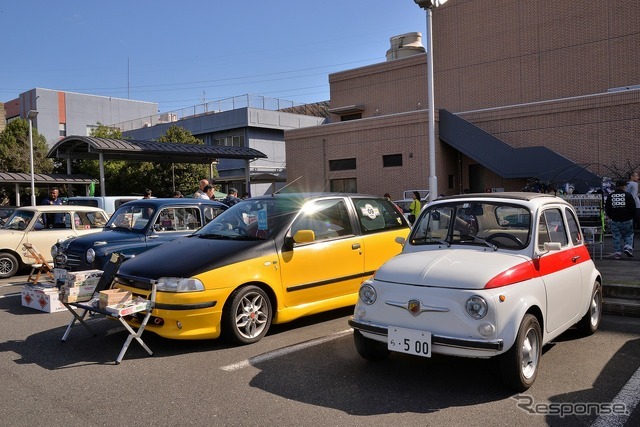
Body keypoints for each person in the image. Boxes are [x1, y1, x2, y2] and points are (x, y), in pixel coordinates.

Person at [605, 180, 636, 259]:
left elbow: (607, 208)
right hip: (627, 218)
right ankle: (628, 247)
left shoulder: (610, 196)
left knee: (616, 236)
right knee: (629, 234)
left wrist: (611, 216)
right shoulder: (628, 195)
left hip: (615, 219)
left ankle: (617, 253)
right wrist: (632, 216)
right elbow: (633, 207)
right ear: (624, 186)